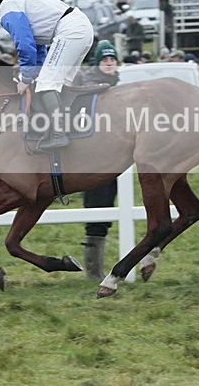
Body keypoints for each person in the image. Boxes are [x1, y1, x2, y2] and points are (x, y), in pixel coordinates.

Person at [0, 0, 94, 151]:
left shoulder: (7, 11)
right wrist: (34, 74)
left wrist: (26, 78)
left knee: (47, 83)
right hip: (79, 28)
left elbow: (25, 45)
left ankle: (58, 135)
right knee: (57, 84)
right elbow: (37, 47)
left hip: (71, 30)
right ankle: (64, 129)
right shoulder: (12, 8)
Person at [73, 41, 120, 279]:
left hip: (114, 159)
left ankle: (96, 269)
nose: (109, 63)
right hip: (92, 158)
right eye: (105, 60)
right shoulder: (88, 83)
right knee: (96, 210)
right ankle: (93, 272)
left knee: (106, 210)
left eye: (112, 59)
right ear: (97, 63)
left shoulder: (118, 85)